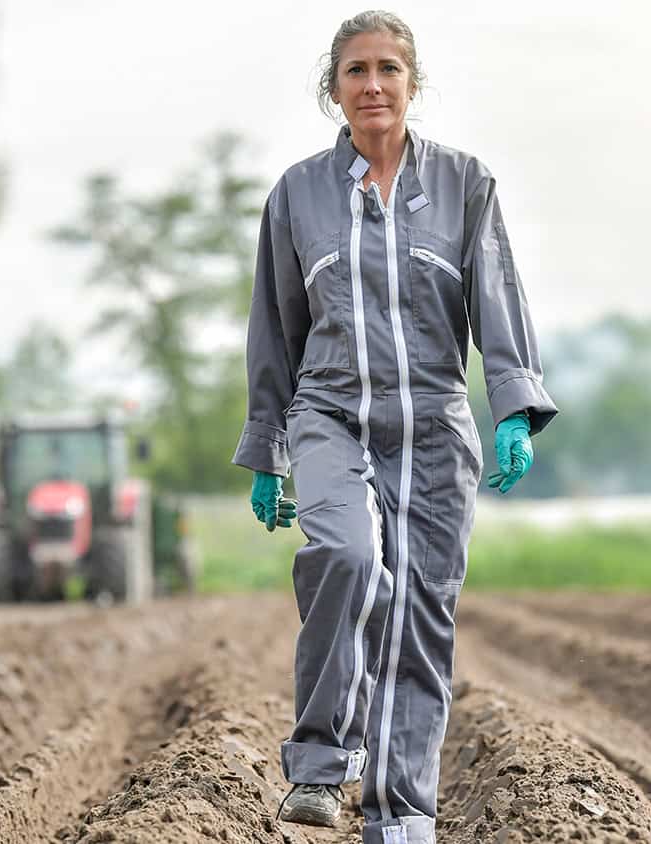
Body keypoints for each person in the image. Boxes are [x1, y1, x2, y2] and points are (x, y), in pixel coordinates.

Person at [232, 10, 559, 844]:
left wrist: (514, 404)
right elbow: (275, 328)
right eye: (355, 72)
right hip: (330, 413)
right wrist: (268, 448)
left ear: (413, 84)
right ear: (333, 90)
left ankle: (400, 812)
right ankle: (317, 765)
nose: (373, 85)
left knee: (420, 615)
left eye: (388, 69)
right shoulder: (298, 194)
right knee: (345, 555)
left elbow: (497, 298)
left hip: (434, 428)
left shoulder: (464, 185)